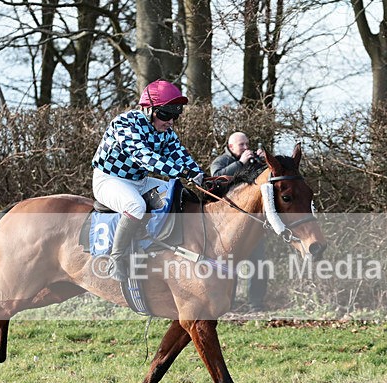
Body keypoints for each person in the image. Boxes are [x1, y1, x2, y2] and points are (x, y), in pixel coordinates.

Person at [91, 80, 205, 281]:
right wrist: (182, 170)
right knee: (136, 207)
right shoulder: (124, 123)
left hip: (140, 181)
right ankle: (115, 259)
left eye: (175, 115)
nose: (170, 121)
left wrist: (201, 177)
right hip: (109, 180)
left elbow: (181, 156)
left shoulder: (167, 133)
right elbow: (144, 157)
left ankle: (161, 244)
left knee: (178, 193)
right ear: (147, 109)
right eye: (165, 114)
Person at [211, 132, 267, 311]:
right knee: (228, 265)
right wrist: (240, 163)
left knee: (259, 262)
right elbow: (216, 181)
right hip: (228, 224)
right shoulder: (221, 162)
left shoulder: (254, 161)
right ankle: (228, 303)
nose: (246, 148)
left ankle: (256, 304)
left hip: (252, 223)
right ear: (231, 146)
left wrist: (266, 163)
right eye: (241, 145)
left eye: (247, 144)